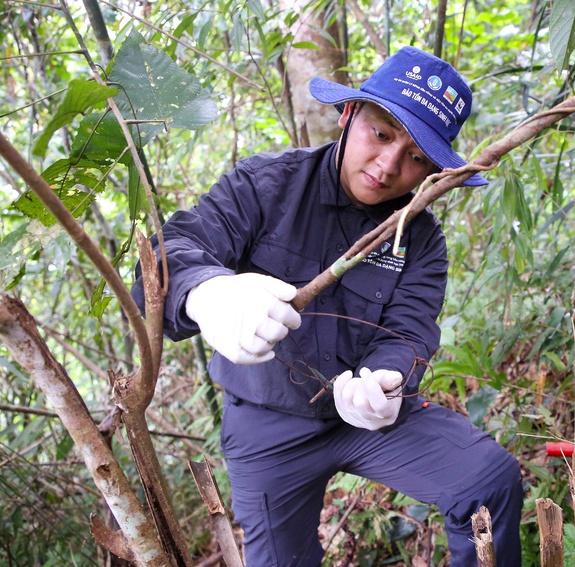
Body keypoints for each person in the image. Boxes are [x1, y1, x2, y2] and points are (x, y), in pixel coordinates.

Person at [132, 46, 523, 566]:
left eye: (416, 157)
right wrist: (208, 293)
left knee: (488, 482)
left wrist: (385, 381)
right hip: (266, 423)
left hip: (369, 418)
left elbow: (409, 330)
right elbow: (166, 257)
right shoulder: (265, 184)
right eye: (382, 134)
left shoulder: (420, 237)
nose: (388, 167)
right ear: (347, 115)